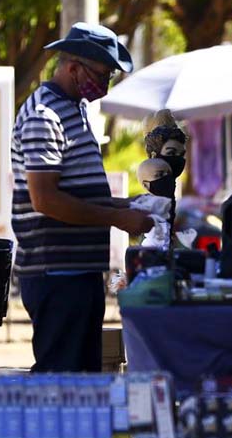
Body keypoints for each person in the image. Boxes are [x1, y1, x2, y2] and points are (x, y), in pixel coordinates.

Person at [11, 22, 153, 373]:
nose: (104, 85)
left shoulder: (73, 109)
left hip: (79, 271)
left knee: (81, 380)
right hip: (57, 273)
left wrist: (128, 205)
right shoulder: (44, 115)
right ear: (73, 68)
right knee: (62, 377)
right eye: (103, 74)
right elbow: (46, 199)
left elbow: (80, 190)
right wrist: (118, 218)